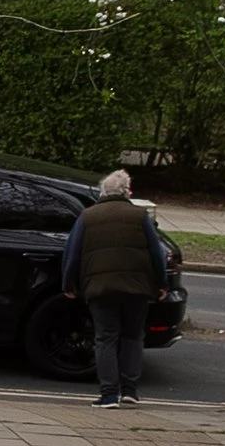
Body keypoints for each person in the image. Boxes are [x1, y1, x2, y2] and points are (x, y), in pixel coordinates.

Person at [60, 168, 165, 407]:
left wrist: (69, 283)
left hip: (100, 287)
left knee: (105, 337)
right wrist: (161, 284)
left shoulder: (88, 216)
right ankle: (130, 390)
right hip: (137, 288)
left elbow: (73, 252)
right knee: (133, 337)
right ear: (127, 191)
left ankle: (108, 394)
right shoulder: (140, 216)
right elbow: (156, 253)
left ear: (103, 191)